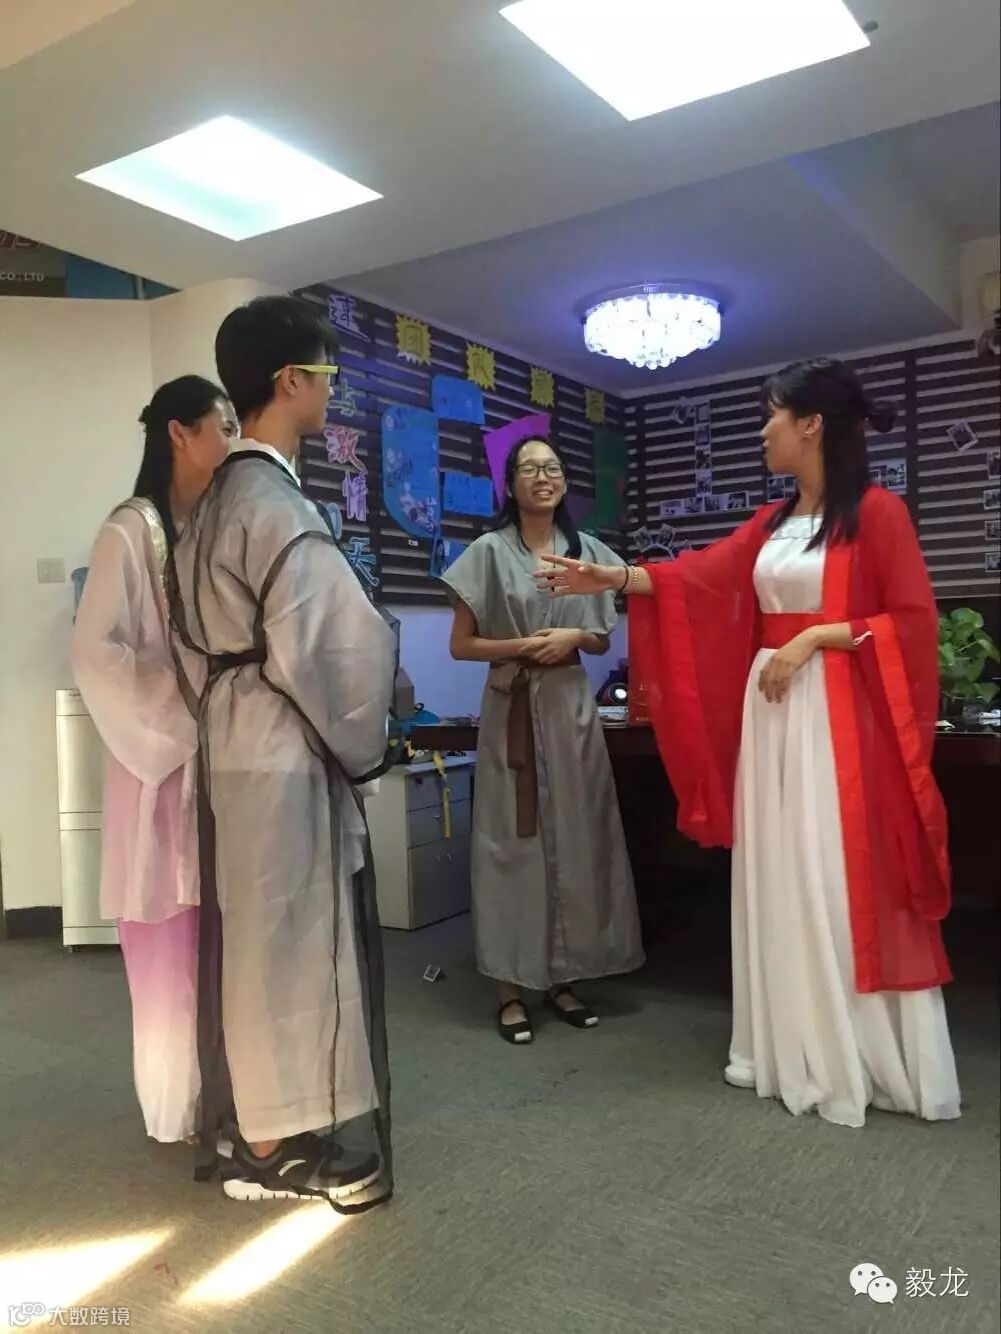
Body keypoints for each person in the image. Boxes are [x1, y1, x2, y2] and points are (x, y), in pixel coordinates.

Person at [537, 358, 961, 1127]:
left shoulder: (876, 513)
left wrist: (815, 637)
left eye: (771, 414)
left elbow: (909, 622)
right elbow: (699, 578)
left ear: (810, 424)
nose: (762, 430)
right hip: (773, 716)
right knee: (777, 867)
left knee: (829, 867)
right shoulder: (771, 522)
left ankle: (855, 1049)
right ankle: (785, 1045)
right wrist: (615, 579)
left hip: (835, 720)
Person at [168, 296, 396, 1205]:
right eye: (328, 375)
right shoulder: (275, 502)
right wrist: (367, 740)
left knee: (255, 936)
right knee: (294, 940)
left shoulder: (211, 502)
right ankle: (282, 1144)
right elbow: (335, 647)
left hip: (231, 737)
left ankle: (258, 1126)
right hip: (282, 739)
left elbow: (190, 646)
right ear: (292, 380)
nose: (332, 392)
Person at [72, 376, 237, 1143]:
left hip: (222, 761)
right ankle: (179, 1109)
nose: (232, 440)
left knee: (226, 945)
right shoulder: (130, 530)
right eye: (223, 425)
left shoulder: (208, 527)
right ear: (180, 433)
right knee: (171, 952)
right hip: (164, 770)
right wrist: (183, 717)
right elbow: (95, 653)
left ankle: (235, 1096)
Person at [442, 435, 643, 1044]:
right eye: (529, 469)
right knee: (512, 844)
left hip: (570, 708)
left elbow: (601, 639)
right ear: (510, 485)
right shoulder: (487, 552)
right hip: (512, 706)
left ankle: (565, 978)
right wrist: (527, 646)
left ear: (564, 481)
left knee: (578, 839)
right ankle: (510, 988)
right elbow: (462, 645)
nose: (543, 477)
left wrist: (573, 639)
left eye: (552, 467)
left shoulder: (588, 552)